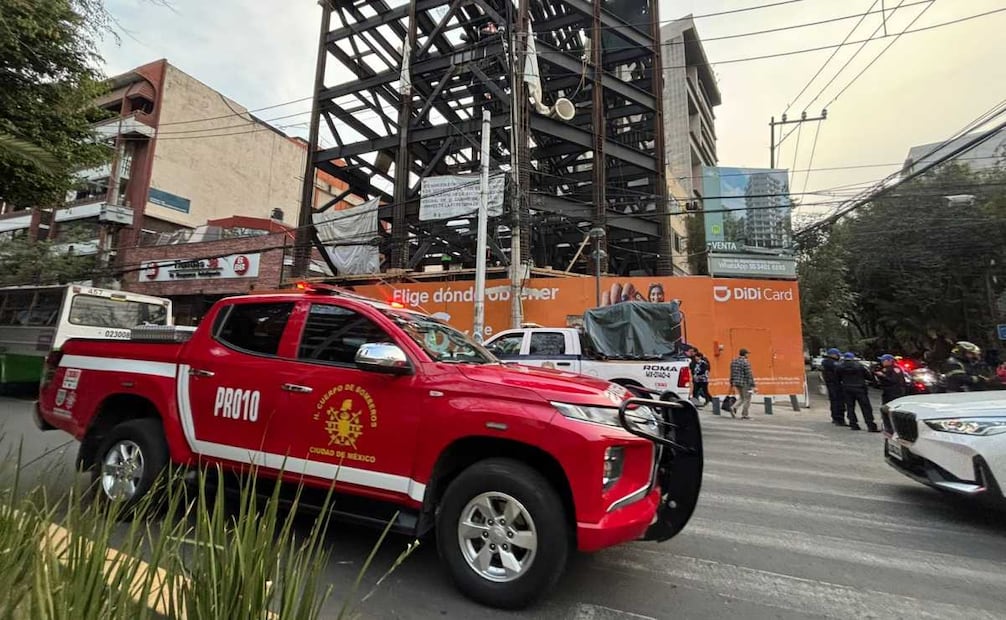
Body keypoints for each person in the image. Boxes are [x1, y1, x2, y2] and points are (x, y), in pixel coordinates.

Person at [837, 352, 879, 432]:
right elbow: (868, 376)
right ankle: (870, 425)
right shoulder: (859, 366)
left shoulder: (840, 367)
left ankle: (853, 424)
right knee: (866, 407)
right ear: (853, 358)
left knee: (850, 407)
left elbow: (837, 378)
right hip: (860, 388)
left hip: (847, 388)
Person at [819, 347, 846, 426]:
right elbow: (840, 368)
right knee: (838, 402)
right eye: (837, 355)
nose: (839, 356)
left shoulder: (826, 362)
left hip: (831, 384)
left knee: (834, 401)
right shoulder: (831, 362)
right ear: (833, 355)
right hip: (835, 384)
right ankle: (839, 419)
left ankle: (835, 418)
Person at [729, 348, 756, 419]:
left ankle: (734, 407)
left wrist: (731, 381)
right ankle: (745, 415)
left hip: (736, 382)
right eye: (747, 354)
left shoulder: (734, 361)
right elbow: (749, 374)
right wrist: (753, 385)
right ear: (745, 354)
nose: (748, 355)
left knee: (741, 397)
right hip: (745, 383)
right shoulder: (745, 362)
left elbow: (731, 372)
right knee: (747, 398)